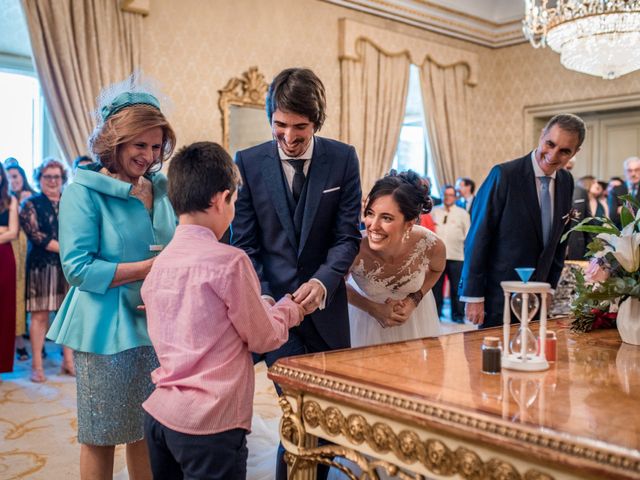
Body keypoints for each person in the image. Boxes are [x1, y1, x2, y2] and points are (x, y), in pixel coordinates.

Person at [141, 141, 304, 480]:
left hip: (159, 416)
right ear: (220, 199)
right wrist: (289, 308)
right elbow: (263, 337)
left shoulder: (161, 263)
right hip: (208, 423)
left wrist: (263, 305)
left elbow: (206, 318)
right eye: (233, 200)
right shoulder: (229, 261)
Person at [231, 67, 362, 480]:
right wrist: (264, 296)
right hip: (275, 318)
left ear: (317, 122)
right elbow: (246, 244)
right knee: (297, 411)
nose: (289, 138)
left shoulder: (342, 159)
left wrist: (324, 280)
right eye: (280, 127)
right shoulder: (249, 163)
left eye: (300, 128)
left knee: (323, 419)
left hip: (327, 313)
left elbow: (346, 237)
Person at [47, 76, 177, 480]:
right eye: (140, 145)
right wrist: (148, 269)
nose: (149, 155)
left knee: (147, 432)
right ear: (115, 140)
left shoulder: (163, 187)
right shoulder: (82, 193)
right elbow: (78, 269)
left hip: (156, 328)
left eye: (156, 147)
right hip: (104, 329)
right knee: (101, 434)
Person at [460, 113, 585, 328]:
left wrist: (550, 288)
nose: (553, 155)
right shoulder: (505, 175)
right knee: (494, 359)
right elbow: (478, 236)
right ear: (542, 135)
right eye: (550, 144)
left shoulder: (566, 181)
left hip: (538, 296)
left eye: (564, 151)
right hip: (497, 296)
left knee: (532, 354)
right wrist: (474, 296)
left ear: (575, 152)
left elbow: (559, 242)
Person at [346, 171, 445, 347]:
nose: (373, 226)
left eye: (386, 218)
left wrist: (414, 300)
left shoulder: (430, 244)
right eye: (370, 213)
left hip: (415, 322)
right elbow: (336, 284)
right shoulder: (354, 248)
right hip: (364, 323)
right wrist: (373, 309)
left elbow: (437, 269)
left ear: (410, 223)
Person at [19, 158, 70, 382]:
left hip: (68, 267)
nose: (52, 181)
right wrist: (67, 250)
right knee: (40, 316)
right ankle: (36, 366)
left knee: (67, 315)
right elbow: (35, 234)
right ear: (39, 179)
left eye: (56, 176)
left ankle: (68, 361)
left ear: (62, 179)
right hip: (41, 266)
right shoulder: (30, 203)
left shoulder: (71, 202)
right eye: (47, 176)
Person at [4, 159, 35, 361]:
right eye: (8, 176)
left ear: (22, 177)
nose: (12, 180)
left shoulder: (30, 197)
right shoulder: (4, 200)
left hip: (29, 249)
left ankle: (25, 341)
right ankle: (17, 343)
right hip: (10, 249)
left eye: (15, 176)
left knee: (25, 293)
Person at [431, 184, 469, 323]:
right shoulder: (434, 211)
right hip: (437, 257)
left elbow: (468, 234)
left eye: (451, 195)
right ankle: (436, 315)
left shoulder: (462, 213)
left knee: (456, 288)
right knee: (436, 288)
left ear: (455, 196)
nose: (448, 197)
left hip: (457, 256)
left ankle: (458, 315)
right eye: (445, 195)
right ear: (442, 195)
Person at [0, 163, 19, 378]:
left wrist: (4, 232)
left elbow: (13, 232)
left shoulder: (10, 199)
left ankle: (2, 363)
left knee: (4, 310)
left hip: (4, 257)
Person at [609, 156, 640, 227]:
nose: (633, 174)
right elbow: (613, 217)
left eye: (637, 170)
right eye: (629, 170)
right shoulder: (615, 190)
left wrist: (624, 211)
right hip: (622, 232)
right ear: (625, 172)